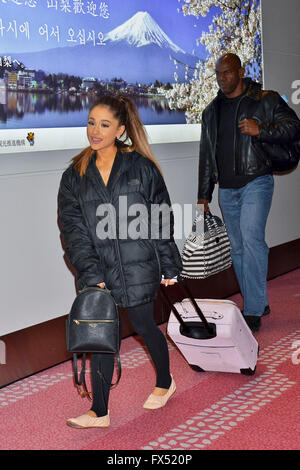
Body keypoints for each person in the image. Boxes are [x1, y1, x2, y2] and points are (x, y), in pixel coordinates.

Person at [58, 95, 182, 429]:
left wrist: (169, 263)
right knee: (100, 334)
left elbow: (161, 218)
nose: (94, 131)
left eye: (104, 124)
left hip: (138, 264)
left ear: (121, 129)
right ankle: (99, 411)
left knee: (144, 327)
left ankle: (165, 381)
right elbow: (73, 231)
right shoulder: (74, 176)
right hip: (99, 271)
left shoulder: (141, 167)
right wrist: (90, 272)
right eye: (90, 122)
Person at [197, 53, 300, 333]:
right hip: (227, 190)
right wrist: (203, 194)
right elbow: (207, 154)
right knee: (239, 248)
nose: (222, 78)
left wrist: (261, 129)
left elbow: (294, 126)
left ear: (241, 71)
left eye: (227, 72)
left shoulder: (264, 99)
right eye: (218, 74)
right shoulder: (212, 111)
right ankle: (259, 302)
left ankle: (252, 309)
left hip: (257, 180)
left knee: (252, 240)